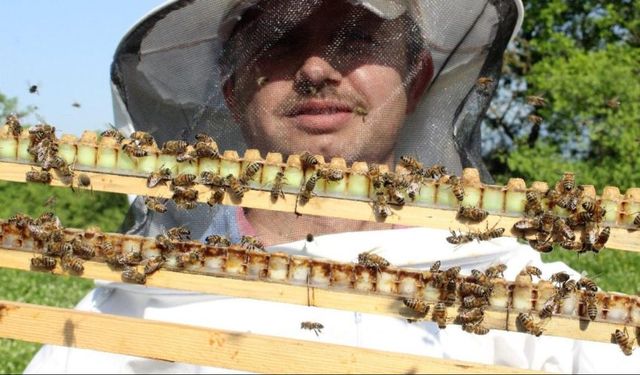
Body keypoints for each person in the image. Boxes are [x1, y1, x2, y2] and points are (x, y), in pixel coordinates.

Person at [24, 0, 639, 373]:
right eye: (280, 40)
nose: (317, 68)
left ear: (416, 78)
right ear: (233, 88)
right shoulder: (133, 309)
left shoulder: (517, 291)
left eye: (357, 35)